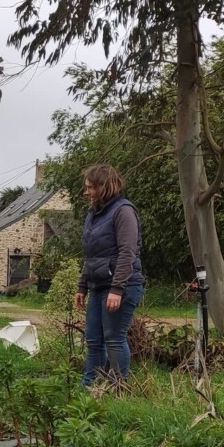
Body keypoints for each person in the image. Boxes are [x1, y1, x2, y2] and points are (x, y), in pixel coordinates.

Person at [74, 163, 145, 385]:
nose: (86, 192)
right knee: (94, 341)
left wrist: (117, 289)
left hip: (121, 286)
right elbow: (92, 254)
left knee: (114, 340)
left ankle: (118, 389)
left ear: (104, 187)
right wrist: (82, 286)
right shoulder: (93, 214)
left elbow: (127, 252)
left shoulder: (124, 211)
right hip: (98, 286)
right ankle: (89, 390)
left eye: (90, 188)